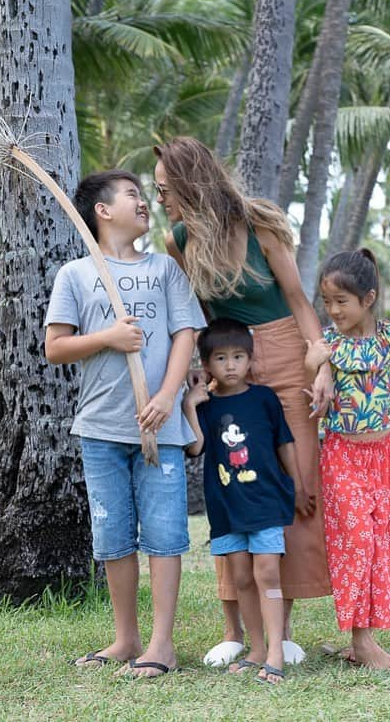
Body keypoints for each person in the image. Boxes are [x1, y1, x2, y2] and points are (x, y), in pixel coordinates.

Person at [154, 137, 332, 667]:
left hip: (283, 355)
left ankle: (282, 629)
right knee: (230, 480)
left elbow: (299, 301)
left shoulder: (260, 225)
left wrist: (320, 364)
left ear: (190, 183)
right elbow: (199, 318)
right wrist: (202, 376)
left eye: (165, 189)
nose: (161, 198)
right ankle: (234, 628)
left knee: (294, 481)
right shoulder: (179, 239)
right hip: (226, 362)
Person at [44, 170, 206, 678]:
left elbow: (186, 335)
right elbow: (55, 347)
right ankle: (125, 638)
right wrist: (109, 337)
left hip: (160, 428)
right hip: (100, 428)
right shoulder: (75, 274)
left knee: (164, 533)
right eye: (134, 195)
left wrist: (166, 396)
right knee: (112, 536)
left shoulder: (164, 270)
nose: (144, 202)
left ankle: (162, 643)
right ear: (102, 210)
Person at [305, 249, 390, 670]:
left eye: (341, 301)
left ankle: (366, 638)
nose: (333, 310)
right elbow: (314, 381)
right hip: (342, 453)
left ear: (368, 298)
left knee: (381, 545)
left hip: (384, 454)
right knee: (357, 542)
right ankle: (361, 643)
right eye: (327, 302)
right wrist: (320, 369)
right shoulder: (328, 344)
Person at [183, 318, 307, 684]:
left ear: (251, 359)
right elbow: (195, 447)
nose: (231, 365)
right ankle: (254, 648)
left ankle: (274, 653)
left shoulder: (264, 398)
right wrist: (191, 403)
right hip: (227, 506)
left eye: (239, 356)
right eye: (221, 358)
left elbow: (285, 442)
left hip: (266, 500)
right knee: (241, 576)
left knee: (266, 570)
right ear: (207, 366)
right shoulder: (206, 407)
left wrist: (298, 486)